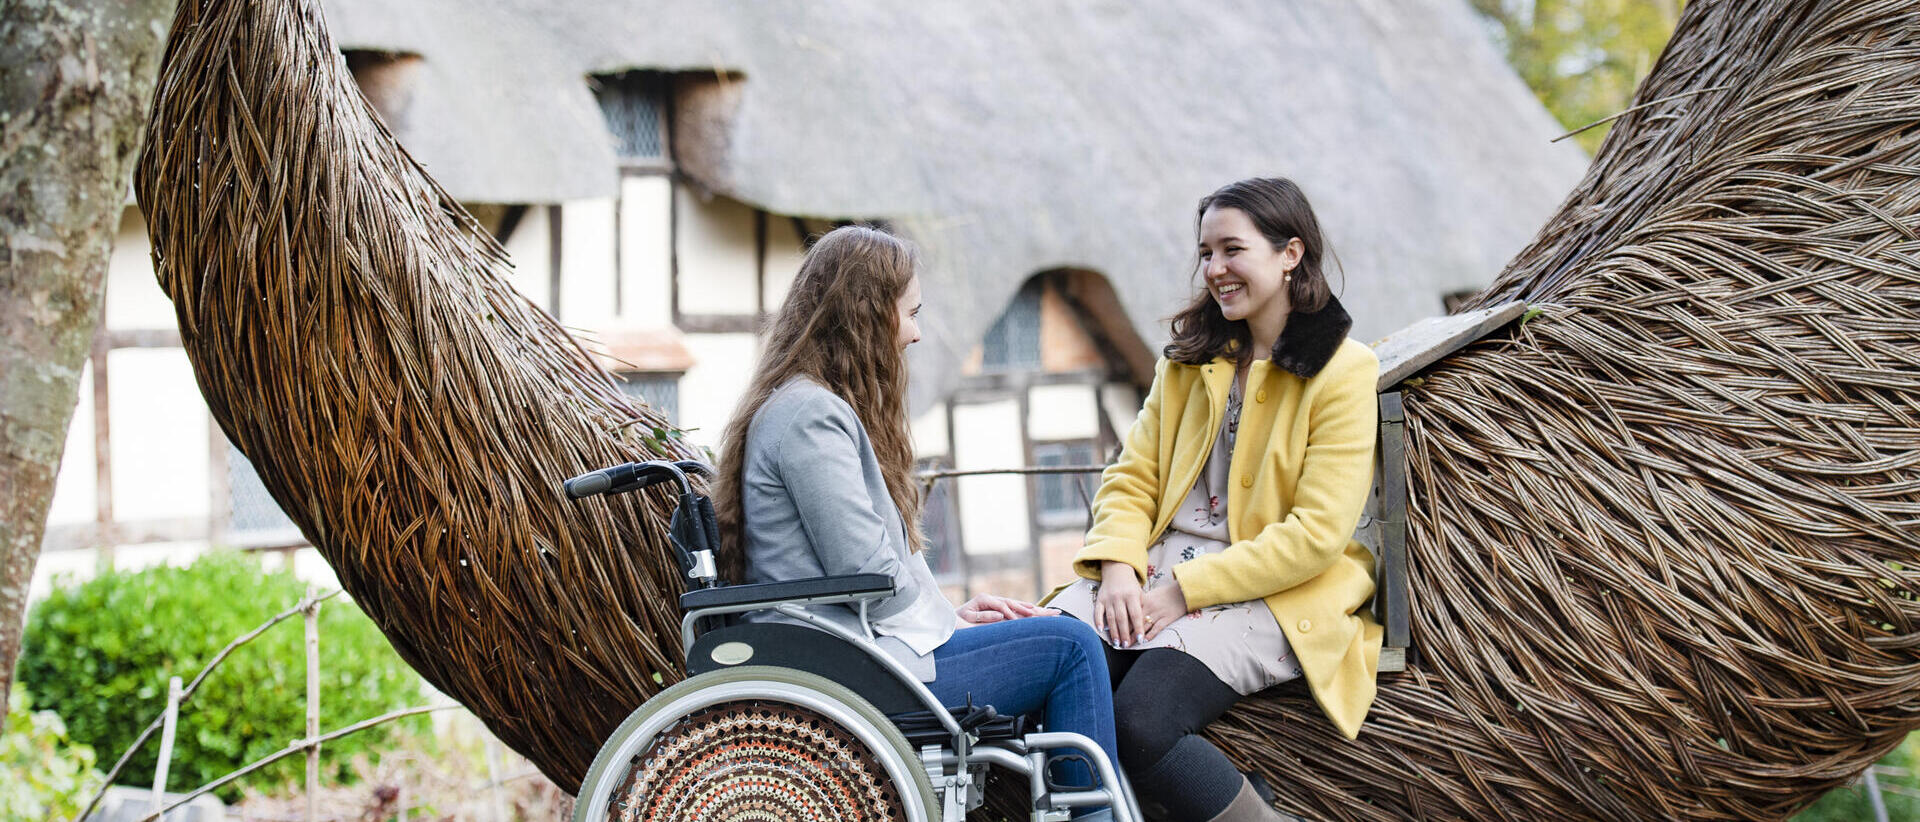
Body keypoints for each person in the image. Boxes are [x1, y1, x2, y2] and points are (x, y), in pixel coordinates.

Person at [711, 224, 1121, 820]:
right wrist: (941, 626)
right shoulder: (809, 416)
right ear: (866, 315)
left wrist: (948, 620)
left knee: (1058, 631)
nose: (916, 332)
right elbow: (866, 571)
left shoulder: (806, 406)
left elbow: (866, 577)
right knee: (1073, 646)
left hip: (853, 648)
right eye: (909, 313)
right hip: (844, 666)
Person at [1047, 177, 1383, 822]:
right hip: (1149, 568)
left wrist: (1179, 594)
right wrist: (1118, 569)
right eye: (1205, 253)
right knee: (1050, 667)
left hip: (1270, 591)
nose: (1215, 269)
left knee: (1140, 724)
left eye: (1232, 250)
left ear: (1291, 254)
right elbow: (1131, 477)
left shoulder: (1344, 368)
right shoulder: (1187, 361)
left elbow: (1315, 534)